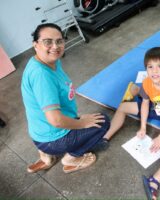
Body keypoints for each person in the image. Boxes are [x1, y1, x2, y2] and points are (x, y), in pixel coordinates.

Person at [101, 47, 160, 200]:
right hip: (157, 109)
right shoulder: (147, 82)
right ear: (146, 69)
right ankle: (104, 138)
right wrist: (143, 126)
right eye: (150, 67)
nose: (154, 71)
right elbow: (145, 104)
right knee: (123, 106)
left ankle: (154, 180)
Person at [21, 23, 110, 174]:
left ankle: (46, 157)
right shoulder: (41, 75)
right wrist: (81, 123)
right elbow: (56, 120)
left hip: (41, 132)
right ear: (35, 44)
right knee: (103, 122)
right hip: (51, 137)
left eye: (59, 41)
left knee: (88, 119)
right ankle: (70, 159)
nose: (55, 46)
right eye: (47, 41)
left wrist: (76, 119)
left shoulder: (48, 61)